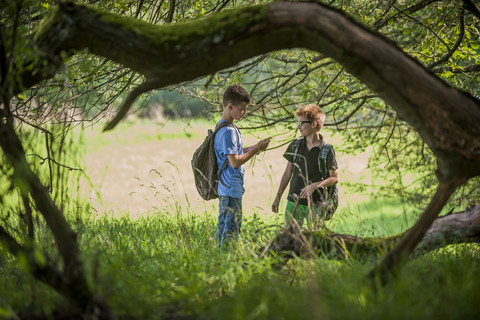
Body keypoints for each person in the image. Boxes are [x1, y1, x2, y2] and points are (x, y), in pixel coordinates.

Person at [214, 84, 270, 247]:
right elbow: (234, 162)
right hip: (231, 187)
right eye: (242, 109)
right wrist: (256, 150)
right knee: (232, 228)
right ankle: (227, 260)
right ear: (230, 106)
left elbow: (232, 153)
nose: (245, 112)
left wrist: (251, 148)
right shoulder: (229, 131)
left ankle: (219, 257)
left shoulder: (223, 126)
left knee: (223, 225)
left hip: (226, 187)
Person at [272, 104, 339, 229]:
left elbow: (334, 178)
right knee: (290, 239)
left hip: (316, 204)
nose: (299, 127)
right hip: (293, 201)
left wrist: (314, 186)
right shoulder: (295, 145)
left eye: (302, 123)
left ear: (313, 124)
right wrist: (278, 197)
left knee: (314, 240)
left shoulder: (327, 150)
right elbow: (287, 173)